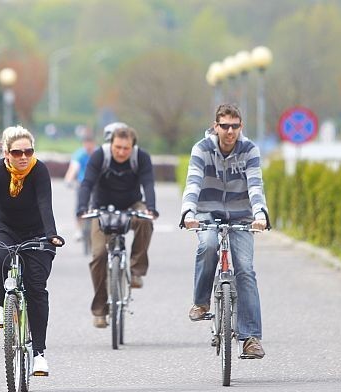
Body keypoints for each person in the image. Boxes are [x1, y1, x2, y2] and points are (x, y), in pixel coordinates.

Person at [0, 126, 64, 376]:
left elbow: (44, 203)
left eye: (28, 151)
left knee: (36, 287)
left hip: (37, 230)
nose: (24, 157)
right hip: (3, 226)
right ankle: (0, 303)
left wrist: (51, 235)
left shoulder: (38, 170)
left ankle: (39, 354)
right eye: (17, 152)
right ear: (6, 153)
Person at [180, 103, 270, 359]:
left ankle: (251, 338)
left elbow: (255, 184)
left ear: (241, 127)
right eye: (224, 126)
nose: (230, 131)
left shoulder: (250, 149)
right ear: (215, 126)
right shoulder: (202, 148)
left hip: (242, 215)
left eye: (235, 126)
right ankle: (201, 301)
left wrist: (261, 214)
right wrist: (188, 212)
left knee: (245, 269)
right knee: (208, 245)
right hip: (206, 212)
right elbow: (193, 181)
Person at [76, 124, 158, 328]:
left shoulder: (141, 158)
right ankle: (100, 310)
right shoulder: (99, 156)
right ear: (111, 144)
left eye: (126, 148)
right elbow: (86, 183)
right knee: (98, 255)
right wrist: (82, 208)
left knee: (145, 221)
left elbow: (148, 183)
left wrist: (152, 208)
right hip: (101, 208)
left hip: (132, 204)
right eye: (118, 147)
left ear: (133, 147)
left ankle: (136, 270)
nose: (121, 152)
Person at [63, 134, 96, 241]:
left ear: (94, 144)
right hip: (83, 183)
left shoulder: (98, 154)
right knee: (80, 205)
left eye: (90, 144)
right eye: (86, 144)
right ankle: (79, 229)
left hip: (97, 183)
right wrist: (68, 180)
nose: (88, 147)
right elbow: (74, 168)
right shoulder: (79, 154)